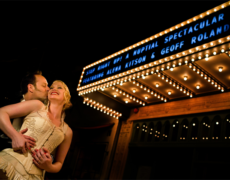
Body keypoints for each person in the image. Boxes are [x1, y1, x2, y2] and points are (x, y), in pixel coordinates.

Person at [0, 80, 73, 180]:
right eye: (51, 88)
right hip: (10, 162)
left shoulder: (68, 131)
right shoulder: (37, 105)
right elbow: (1, 113)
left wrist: (49, 167)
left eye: (59, 87)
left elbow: (59, 163)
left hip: (35, 176)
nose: (54, 89)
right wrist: (15, 136)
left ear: (67, 96)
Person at [0, 71, 50, 152]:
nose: (48, 89)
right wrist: (15, 136)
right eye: (44, 86)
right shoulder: (9, 101)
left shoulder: (42, 111)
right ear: (30, 87)